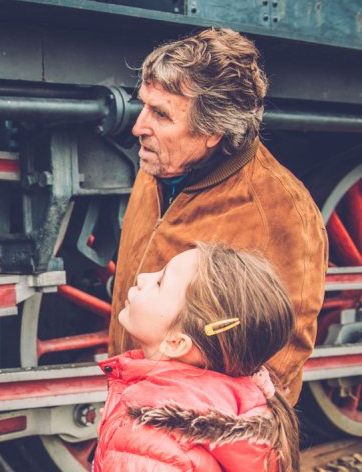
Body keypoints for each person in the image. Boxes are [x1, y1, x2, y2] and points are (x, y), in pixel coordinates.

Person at [110, 27, 327, 405]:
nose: (138, 126)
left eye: (161, 114)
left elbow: (278, 356)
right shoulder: (161, 164)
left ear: (213, 131)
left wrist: (183, 422)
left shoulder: (281, 211)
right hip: (136, 398)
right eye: (143, 104)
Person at [95, 243, 299, 471]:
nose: (143, 277)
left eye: (160, 283)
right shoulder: (240, 401)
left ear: (176, 342)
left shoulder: (148, 438)